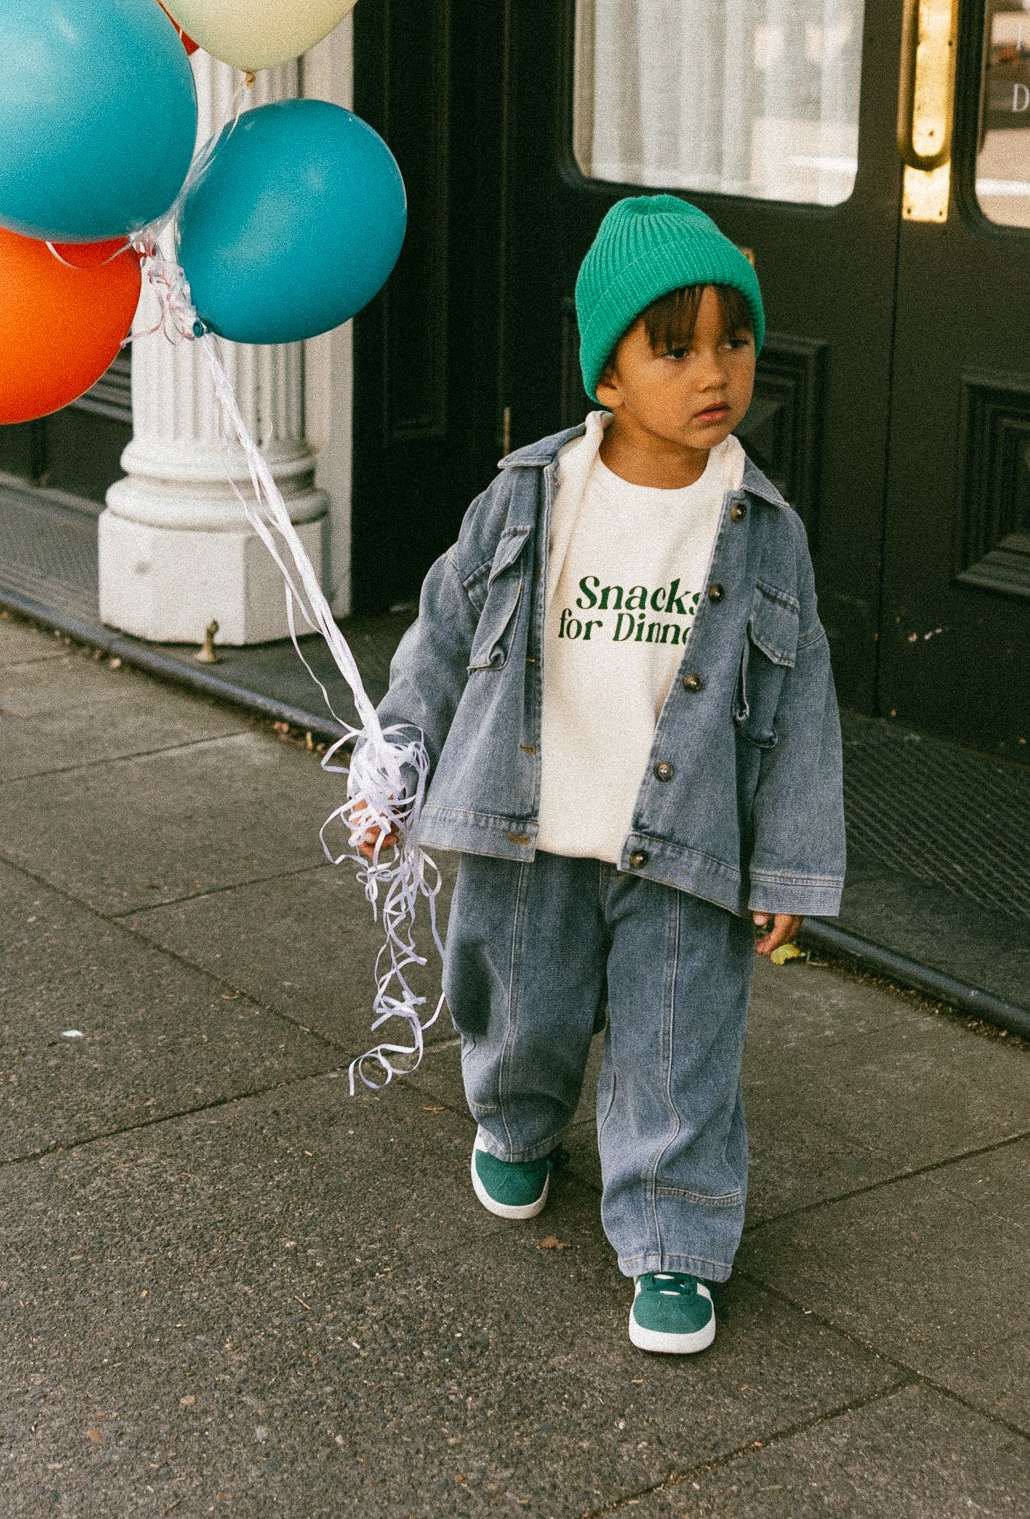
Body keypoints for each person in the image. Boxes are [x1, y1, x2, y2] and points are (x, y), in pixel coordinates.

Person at [351, 194, 844, 1355]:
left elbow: (799, 699)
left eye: (734, 338)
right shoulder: (533, 493)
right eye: (674, 346)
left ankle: (675, 1235)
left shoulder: (761, 527)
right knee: (519, 1005)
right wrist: (398, 761)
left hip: (685, 839)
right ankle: (516, 1116)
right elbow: (440, 634)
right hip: (532, 824)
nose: (713, 370)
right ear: (608, 377)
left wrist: (788, 858)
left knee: (682, 1044)